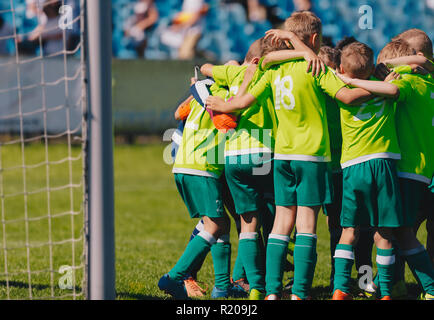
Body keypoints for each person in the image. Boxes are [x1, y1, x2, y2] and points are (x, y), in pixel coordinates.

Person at [206, 11, 374, 300]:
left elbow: (244, 102)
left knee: (282, 223)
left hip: (282, 156)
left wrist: (224, 104)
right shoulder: (316, 67)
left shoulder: (273, 70)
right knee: (306, 224)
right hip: (312, 156)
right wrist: (381, 89)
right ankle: (298, 294)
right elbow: (346, 96)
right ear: (313, 38)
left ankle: (271, 293)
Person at [332, 39, 434, 300]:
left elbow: (392, 90)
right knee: (392, 232)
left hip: (384, 168)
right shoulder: (415, 82)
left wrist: (350, 80)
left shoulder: (402, 83)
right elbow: (410, 75)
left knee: (372, 231)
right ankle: (390, 288)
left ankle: (345, 288)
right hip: (404, 169)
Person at [158, 73, 246, 299]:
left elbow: (179, 112)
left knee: (220, 224)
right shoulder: (228, 96)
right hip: (202, 167)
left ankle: (222, 287)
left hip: (185, 165)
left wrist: (196, 87)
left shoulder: (203, 95)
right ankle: (174, 277)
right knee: (215, 225)